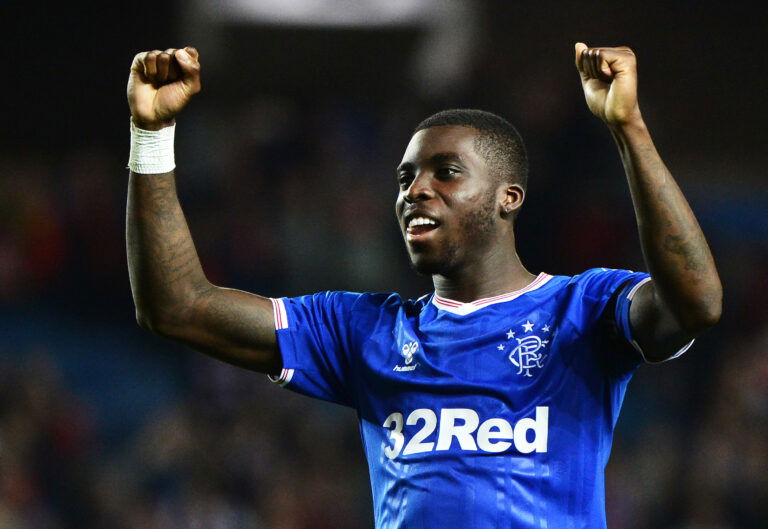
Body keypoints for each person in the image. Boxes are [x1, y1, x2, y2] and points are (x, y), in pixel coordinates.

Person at [125, 43, 722, 528]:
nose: (415, 190)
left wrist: (628, 128)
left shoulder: (583, 310)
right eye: (405, 177)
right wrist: (151, 136)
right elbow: (178, 307)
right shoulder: (363, 330)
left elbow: (696, 302)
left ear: (507, 197)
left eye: (447, 172)